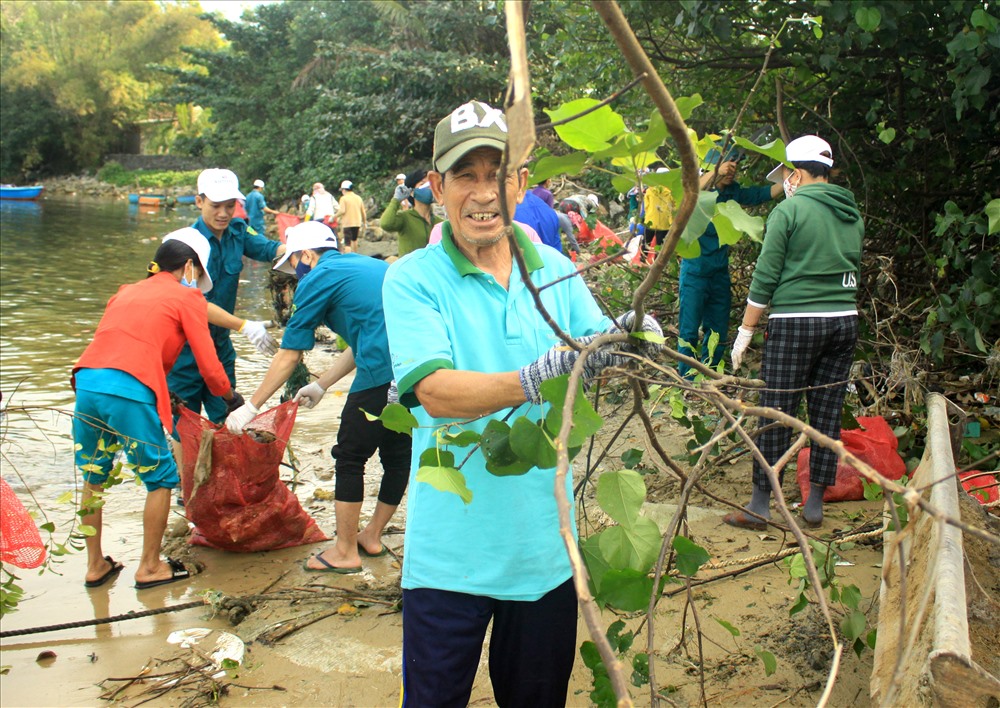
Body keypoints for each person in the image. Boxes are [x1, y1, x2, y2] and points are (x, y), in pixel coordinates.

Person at [382, 100, 661, 706]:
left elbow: (602, 340)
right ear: (436, 186)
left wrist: (635, 340)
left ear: (521, 183)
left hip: (543, 555)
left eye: (497, 175)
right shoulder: (411, 279)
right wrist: (540, 374)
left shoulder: (555, 269)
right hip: (447, 561)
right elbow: (434, 391)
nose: (483, 194)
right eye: (466, 176)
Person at [226, 221, 410, 573]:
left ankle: (344, 552)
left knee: (349, 456)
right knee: (398, 456)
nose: (296, 275)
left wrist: (251, 406)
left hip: (378, 374)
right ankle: (370, 536)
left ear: (307, 255)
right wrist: (323, 384)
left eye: (295, 265)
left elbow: (289, 354)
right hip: (414, 372)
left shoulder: (317, 278)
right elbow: (363, 339)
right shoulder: (366, 266)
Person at [73, 229, 242, 589]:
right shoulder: (188, 297)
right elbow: (209, 365)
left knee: (93, 473)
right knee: (161, 478)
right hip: (127, 390)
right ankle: (150, 567)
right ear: (188, 267)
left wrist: (167, 394)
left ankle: (94, 566)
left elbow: (125, 348)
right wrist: (229, 398)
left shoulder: (125, 292)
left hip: (87, 384)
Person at [726, 135, 863, 530]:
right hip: (844, 320)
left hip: (796, 321)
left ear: (797, 173)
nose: (785, 181)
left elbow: (766, 275)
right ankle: (815, 501)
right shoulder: (851, 212)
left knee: (776, 409)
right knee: (826, 408)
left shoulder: (788, 212)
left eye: (786, 173)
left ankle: (760, 503)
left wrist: (746, 329)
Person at [166, 169, 284, 425]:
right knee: (183, 423)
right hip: (185, 349)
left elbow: (267, 249)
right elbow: (193, 305)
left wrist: (304, 251)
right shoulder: (187, 244)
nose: (223, 214)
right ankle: (187, 466)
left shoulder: (239, 231)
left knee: (227, 416)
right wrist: (244, 325)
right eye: (215, 206)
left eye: (230, 206)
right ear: (199, 202)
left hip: (220, 347)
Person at [676, 144, 783, 378]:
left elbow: (763, 193)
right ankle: (687, 378)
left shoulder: (733, 193)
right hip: (694, 272)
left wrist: (790, 176)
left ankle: (713, 374)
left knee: (718, 329)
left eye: (735, 164)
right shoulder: (700, 192)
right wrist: (716, 173)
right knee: (689, 329)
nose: (732, 169)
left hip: (719, 274)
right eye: (727, 163)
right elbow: (689, 196)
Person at [380, 170, 440, 257]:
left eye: (430, 185)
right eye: (422, 184)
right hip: (410, 270)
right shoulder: (405, 218)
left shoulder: (439, 222)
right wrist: (396, 200)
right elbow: (386, 224)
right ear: (411, 192)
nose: (428, 188)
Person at [642, 167, 674, 260]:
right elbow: (674, 207)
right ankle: (657, 268)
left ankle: (641, 263)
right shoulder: (671, 192)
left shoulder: (650, 190)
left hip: (650, 222)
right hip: (665, 224)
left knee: (645, 244)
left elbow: (646, 207)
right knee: (660, 249)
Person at [334, 180, 367, 253]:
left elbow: (342, 211)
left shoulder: (343, 198)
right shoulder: (358, 198)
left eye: (342, 190)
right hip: (357, 223)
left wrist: (334, 217)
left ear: (344, 189)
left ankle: (348, 257)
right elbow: (363, 212)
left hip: (347, 223)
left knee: (347, 243)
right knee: (354, 240)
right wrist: (364, 222)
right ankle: (355, 255)